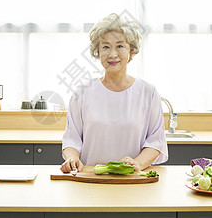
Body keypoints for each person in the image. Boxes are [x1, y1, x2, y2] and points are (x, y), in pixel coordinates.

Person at [60, 13, 168, 173]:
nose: (112, 54)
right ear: (97, 51)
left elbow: (156, 141)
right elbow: (72, 138)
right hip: (91, 180)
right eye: (105, 46)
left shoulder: (148, 92)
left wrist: (137, 163)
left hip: (132, 180)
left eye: (120, 46)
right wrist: (72, 159)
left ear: (131, 50)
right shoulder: (82, 93)